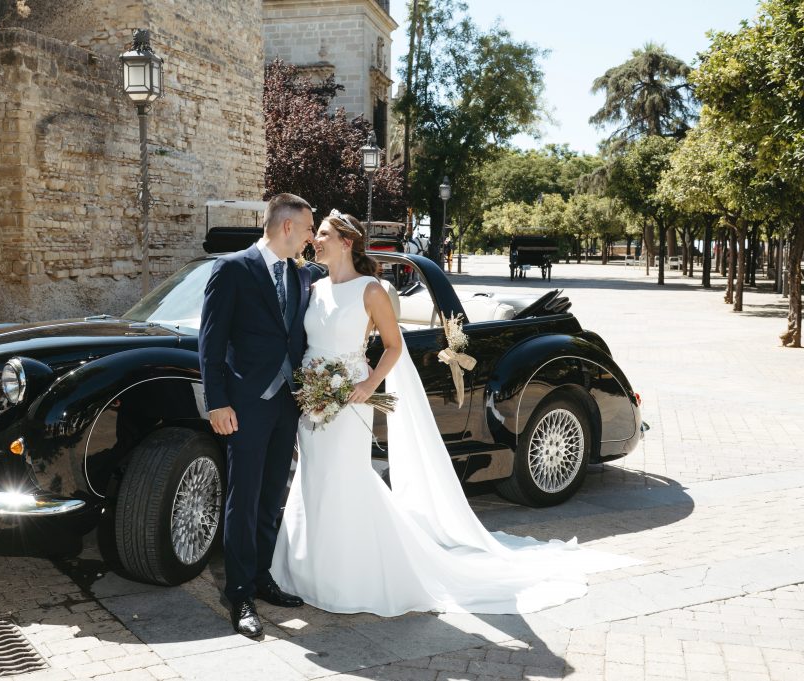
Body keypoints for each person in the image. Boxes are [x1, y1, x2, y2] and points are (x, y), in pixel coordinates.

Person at [270, 209, 631, 616]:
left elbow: (394, 347)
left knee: (345, 479)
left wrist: (368, 385)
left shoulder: (371, 290)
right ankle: (305, 570)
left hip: (352, 398)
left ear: (346, 242)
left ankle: (350, 575)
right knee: (313, 478)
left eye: (322, 234)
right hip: (315, 399)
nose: (314, 240)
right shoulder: (314, 288)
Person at [198, 193, 315, 637]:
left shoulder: (298, 273)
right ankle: (240, 591)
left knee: (271, 497)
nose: (309, 237)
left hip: (287, 404)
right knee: (242, 500)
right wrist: (217, 402)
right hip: (244, 406)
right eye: (307, 229)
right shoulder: (231, 269)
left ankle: (263, 577)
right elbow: (210, 342)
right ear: (286, 227)